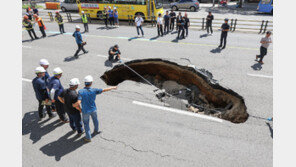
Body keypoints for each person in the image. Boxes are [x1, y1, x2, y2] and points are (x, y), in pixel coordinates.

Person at [75, 75, 117, 142]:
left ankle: (88, 138)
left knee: (86, 124)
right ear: (91, 83)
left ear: (85, 83)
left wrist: (76, 106)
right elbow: (104, 90)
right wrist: (113, 87)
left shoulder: (81, 91)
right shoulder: (94, 90)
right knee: (95, 120)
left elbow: (78, 103)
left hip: (85, 111)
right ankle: (96, 130)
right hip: (93, 109)